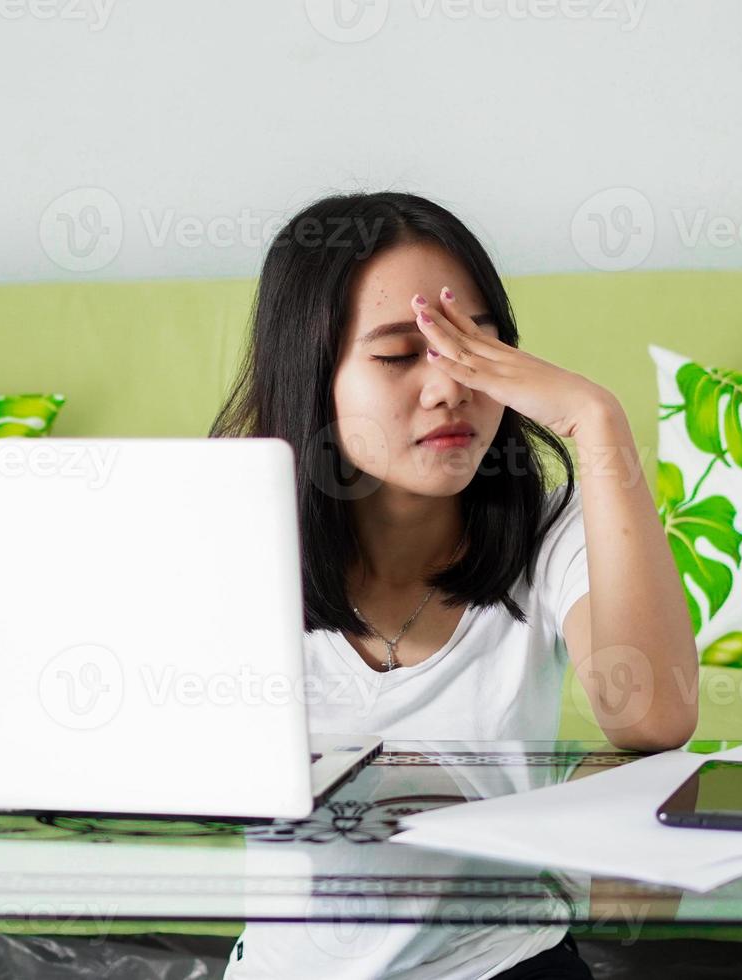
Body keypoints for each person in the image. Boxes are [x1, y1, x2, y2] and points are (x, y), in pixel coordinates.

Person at [209, 190, 700, 979]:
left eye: (478, 348)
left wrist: (595, 418)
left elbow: (652, 717)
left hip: (507, 965)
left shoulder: (552, 523)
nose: (450, 388)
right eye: (401, 354)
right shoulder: (235, 537)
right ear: (312, 373)